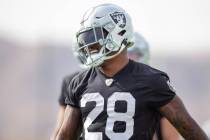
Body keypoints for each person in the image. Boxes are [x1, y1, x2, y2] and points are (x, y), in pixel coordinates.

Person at [55, 3, 208, 140]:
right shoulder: (79, 82)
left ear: (118, 33)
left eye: (94, 36)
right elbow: (64, 136)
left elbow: (190, 130)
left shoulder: (152, 80)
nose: (89, 45)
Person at [128, 32, 180, 140]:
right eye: (125, 53)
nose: (129, 58)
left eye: (133, 53)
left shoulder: (156, 90)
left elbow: (172, 137)